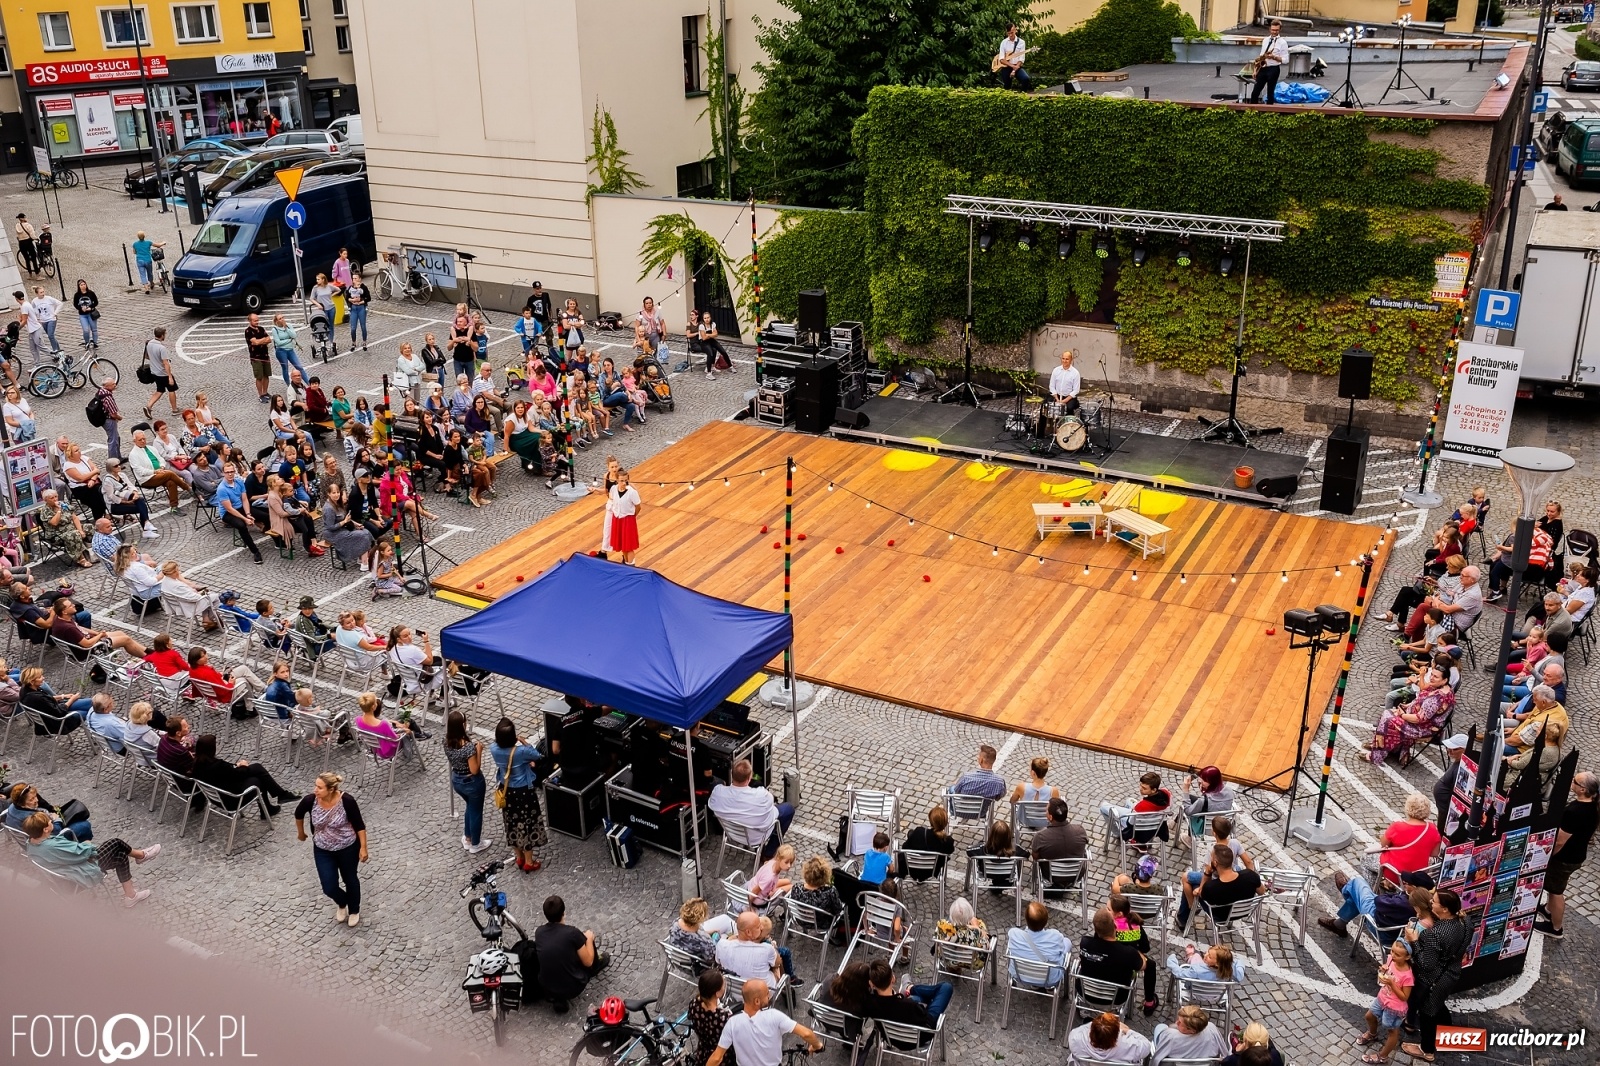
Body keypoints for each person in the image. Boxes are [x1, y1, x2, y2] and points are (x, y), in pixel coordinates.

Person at [22, 812, 160, 907]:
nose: (52, 821)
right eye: (50, 822)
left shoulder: (32, 843)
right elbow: (82, 853)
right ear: (46, 829)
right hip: (77, 876)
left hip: (64, 875)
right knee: (115, 843)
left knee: (120, 856)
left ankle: (131, 896)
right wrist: (87, 844)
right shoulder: (52, 846)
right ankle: (141, 856)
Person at [1400, 889, 1469, 1061]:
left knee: (1428, 1012)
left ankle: (1427, 1050)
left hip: (1434, 980)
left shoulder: (1434, 934)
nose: (1431, 903)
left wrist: (1414, 941)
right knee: (1439, 1004)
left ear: (1445, 909)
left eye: (1434, 902)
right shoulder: (1465, 921)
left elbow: (1426, 965)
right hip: (1452, 972)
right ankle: (1447, 1031)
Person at [295, 771, 367, 928]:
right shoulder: (310, 801)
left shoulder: (347, 801)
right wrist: (301, 832)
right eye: (316, 786)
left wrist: (363, 847)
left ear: (331, 789)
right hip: (323, 849)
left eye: (320, 788)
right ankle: (343, 902)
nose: (315, 790)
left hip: (347, 847)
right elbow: (298, 813)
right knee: (329, 886)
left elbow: (359, 825)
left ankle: (354, 910)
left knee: (350, 879)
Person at [1534, 771, 1597, 939]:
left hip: (1564, 858)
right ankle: (1548, 910)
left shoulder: (1575, 811)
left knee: (1556, 891)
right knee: (1553, 886)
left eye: (1575, 781)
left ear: (1583, 789)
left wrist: (1547, 855)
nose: (1572, 781)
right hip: (1576, 854)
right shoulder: (1593, 806)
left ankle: (1556, 928)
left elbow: (1560, 841)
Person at [707, 979, 822, 1066]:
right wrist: (817, 1045)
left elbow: (717, 1058)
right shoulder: (774, 1016)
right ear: (757, 1001)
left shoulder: (732, 1023)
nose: (768, 996)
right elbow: (806, 1034)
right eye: (767, 994)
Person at [534, 894, 609, 1013]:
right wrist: (589, 938)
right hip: (573, 987)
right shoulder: (572, 933)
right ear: (563, 913)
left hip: (547, 986)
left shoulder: (539, 932)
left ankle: (558, 998)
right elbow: (588, 962)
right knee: (587, 944)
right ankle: (598, 964)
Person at [190, 732, 296, 816]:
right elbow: (237, 775)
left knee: (257, 769)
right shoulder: (217, 765)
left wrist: (236, 766)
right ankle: (273, 803)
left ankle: (277, 798)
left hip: (216, 797)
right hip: (232, 799)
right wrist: (244, 765)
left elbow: (228, 773)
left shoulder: (197, 765)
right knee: (258, 778)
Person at [489, 716, 545, 872]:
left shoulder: (494, 749)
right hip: (523, 792)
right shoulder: (521, 752)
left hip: (506, 790)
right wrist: (523, 741)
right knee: (526, 824)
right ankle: (529, 861)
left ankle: (519, 857)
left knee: (512, 823)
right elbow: (537, 754)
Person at [1318, 868, 1435, 943]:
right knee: (1358, 894)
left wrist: (1392, 896)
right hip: (1391, 926)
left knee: (1358, 883)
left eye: (1408, 883)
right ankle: (1339, 925)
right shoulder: (1424, 904)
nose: (1404, 883)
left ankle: (1346, 888)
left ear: (1415, 888)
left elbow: (1379, 901)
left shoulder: (1404, 903)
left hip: (1379, 926)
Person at [709, 758, 794, 860]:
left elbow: (712, 803)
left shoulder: (718, 793)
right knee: (788, 809)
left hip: (731, 834)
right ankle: (768, 853)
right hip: (756, 837)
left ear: (732, 775)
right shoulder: (761, 795)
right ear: (749, 778)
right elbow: (772, 808)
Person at [1179, 843, 1264, 929]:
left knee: (1192, 883)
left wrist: (1207, 873)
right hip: (1244, 912)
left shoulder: (1211, 887)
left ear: (1215, 863)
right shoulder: (1250, 875)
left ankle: (1182, 919)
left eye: (1211, 857)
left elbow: (1200, 892)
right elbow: (1262, 891)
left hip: (1219, 916)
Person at [443, 710, 492, 855]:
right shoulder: (468, 748)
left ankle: (468, 837)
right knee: (476, 811)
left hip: (457, 780)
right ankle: (475, 843)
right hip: (471, 782)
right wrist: (479, 751)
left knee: (470, 807)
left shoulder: (446, 742)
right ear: (462, 725)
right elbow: (475, 769)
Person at [1365, 793, 1442, 884]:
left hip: (1395, 873)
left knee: (1366, 858)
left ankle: (1373, 891)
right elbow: (1435, 853)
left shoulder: (1398, 827)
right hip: (1418, 875)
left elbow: (1383, 844)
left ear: (1408, 808)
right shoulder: (1432, 829)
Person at [1359, 939, 1414, 1064]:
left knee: (1392, 1031)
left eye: (1398, 954)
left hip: (1395, 1008)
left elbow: (1404, 997)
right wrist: (1383, 971)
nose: (1393, 955)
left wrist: (1391, 983)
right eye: (1392, 951)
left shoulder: (1408, 976)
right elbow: (1386, 973)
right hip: (1382, 998)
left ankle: (1383, 1056)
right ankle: (1373, 1034)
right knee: (1369, 1016)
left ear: (1407, 957)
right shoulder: (1390, 959)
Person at [1076, 907, 1144, 1003]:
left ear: (1095, 928)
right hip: (1116, 999)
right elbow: (1142, 966)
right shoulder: (1128, 953)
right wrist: (1138, 952)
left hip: (1085, 993)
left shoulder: (1085, 942)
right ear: (1115, 925)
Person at [861, 956, 952, 1025]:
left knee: (917, 998)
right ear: (893, 979)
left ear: (871, 984)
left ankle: (909, 988)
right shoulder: (909, 1005)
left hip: (892, 1038)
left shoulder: (869, 1004)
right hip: (922, 1035)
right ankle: (910, 988)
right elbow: (924, 1017)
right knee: (946, 987)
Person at [48, 597, 146, 657]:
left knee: (120, 633)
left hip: (86, 643)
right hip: (88, 651)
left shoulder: (61, 618)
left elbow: (80, 628)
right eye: (70, 605)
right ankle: (148, 658)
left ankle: (148, 651)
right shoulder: (68, 628)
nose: (74, 605)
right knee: (125, 640)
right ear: (64, 611)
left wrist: (97, 633)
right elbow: (87, 644)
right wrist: (99, 636)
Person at [1005, 900, 1068, 988]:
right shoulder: (1055, 937)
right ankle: (1049, 988)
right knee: (1067, 943)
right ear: (1046, 921)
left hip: (1020, 976)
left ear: (1026, 919)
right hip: (1050, 979)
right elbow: (1061, 951)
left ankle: (1034, 984)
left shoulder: (1014, 934)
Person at [1100, 770, 1173, 844]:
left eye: (1144, 788)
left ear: (1154, 790)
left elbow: (1130, 823)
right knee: (1129, 800)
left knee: (1103, 807)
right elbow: (1170, 809)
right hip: (1156, 826)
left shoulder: (1141, 806)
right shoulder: (1167, 794)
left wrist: (1133, 811)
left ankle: (1118, 833)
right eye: (1140, 785)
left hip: (1139, 829)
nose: (1140, 789)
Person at [715, 909, 785, 984]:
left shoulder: (721, 945)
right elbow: (778, 963)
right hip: (763, 991)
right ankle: (786, 986)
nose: (761, 928)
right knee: (776, 965)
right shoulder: (767, 949)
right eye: (758, 927)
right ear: (748, 932)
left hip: (732, 989)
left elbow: (718, 962)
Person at [1152, 1005, 1230, 1066]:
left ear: (1192, 1030)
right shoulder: (1211, 1029)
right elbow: (1225, 1054)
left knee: (1160, 1027)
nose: (1176, 1022)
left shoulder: (1170, 1036)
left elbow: (1157, 1058)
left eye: (1180, 1023)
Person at [1067, 1011, 1152, 1065]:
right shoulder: (1129, 1045)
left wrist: (1096, 1025)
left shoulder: (1077, 1040)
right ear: (1116, 1034)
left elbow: (1075, 1032)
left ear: (1092, 1031)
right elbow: (1147, 1045)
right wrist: (1127, 1030)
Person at [950, 743, 1006, 809]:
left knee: (951, 788)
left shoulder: (966, 777)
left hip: (961, 811)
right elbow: (999, 796)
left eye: (979, 756)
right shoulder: (999, 782)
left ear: (981, 760)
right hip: (981, 813)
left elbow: (956, 791)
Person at [1432, 733, 1468, 829]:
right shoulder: (1459, 761)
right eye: (1448, 747)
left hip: (1447, 807)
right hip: (1443, 805)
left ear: (1465, 750)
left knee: (1442, 827)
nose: (1449, 751)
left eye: (1454, 749)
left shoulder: (1461, 768)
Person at [1250, 20, 1290, 104]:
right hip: (1262, 68)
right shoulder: (1265, 40)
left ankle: (1269, 112)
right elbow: (1260, 57)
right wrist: (1255, 70)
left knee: (1270, 93)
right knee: (1255, 93)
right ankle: (1253, 112)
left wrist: (1274, 57)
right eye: (1272, 30)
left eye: (1276, 30)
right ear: (1269, 29)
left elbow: (1286, 60)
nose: (1274, 32)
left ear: (1280, 30)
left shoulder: (1282, 42)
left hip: (1273, 69)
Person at [997, 23, 1031, 91]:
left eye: (1012, 33)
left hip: (1017, 66)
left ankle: (1022, 96)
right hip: (1006, 66)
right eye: (1008, 33)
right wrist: (1012, 66)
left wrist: (1014, 70)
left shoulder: (1021, 42)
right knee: (1007, 86)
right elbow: (1001, 59)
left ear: (1015, 30)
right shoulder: (1004, 42)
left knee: (1025, 79)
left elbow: (1021, 59)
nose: (1010, 35)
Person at [95, 377, 123, 460]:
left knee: (116, 438)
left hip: (103, 418)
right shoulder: (108, 397)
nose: (115, 385)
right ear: (107, 386)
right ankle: (113, 461)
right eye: (113, 384)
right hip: (109, 420)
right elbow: (113, 414)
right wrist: (120, 417)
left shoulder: (101, 391)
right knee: (113, 441)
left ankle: (118, 457)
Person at [1048, 350, 1081, 416]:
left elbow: (1076, 390)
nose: (1064, 361)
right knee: (1045, 405)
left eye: (1067, 359)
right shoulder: (1056, 370)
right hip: (1056, 395)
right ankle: (1044, 424)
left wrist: (1064, 401)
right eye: (1063, 358)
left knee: (1069, 408)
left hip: (1069, 397)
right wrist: (1057, 399)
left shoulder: (1075, 373)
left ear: (1071, 360)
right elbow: (1051, 386)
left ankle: (1068, 424)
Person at [346, 272, 370, 350]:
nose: (354, 280)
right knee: (353, 327)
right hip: (353, 308)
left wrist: (361, 300)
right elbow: (347, 297)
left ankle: (364, 342)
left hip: (361, 308)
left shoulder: (363, 287)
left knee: (363, 326)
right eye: (353, 278)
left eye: (356, 278)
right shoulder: (350, 287)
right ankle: (353, 342)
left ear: (360, 279)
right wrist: (352, 300)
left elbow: (368, 298)